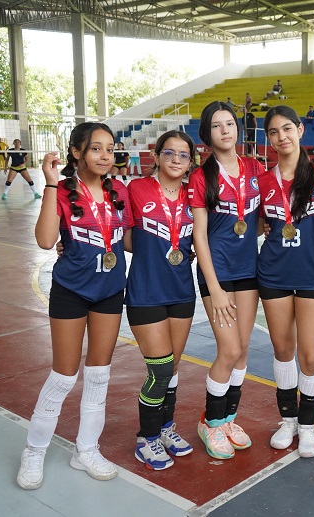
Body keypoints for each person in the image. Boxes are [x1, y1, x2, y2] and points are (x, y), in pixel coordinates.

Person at [18, 122, 130, 490]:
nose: (105, 156)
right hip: (71, 291)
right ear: (76, 152)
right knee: (64, 376)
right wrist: (50, 183)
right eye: (96, 148)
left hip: (109, 291)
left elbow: (129, 239)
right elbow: (45, 239)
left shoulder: (119, 192)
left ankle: (86, 450)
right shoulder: (63, 192)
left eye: (110, 149)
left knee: (99, 375)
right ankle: (34, 450)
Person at [257, 105, 314, 458]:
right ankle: (288, 420)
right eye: (274, 132)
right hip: (273, 274)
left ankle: (308, 427)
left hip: (312, 274)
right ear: (268, 138)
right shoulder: (263, 182)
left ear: (301, 130)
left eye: (287, 128)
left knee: (310, 355)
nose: (281, 137)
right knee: (282, 350)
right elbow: (256, 223)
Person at [190, 101, 266, 460]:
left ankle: (229, 420)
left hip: (248, 269)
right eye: (217, 125)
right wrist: (215, 288)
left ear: (238, 128)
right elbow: (199, 235)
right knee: (230, 350)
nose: (225, 130)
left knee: (243, 349)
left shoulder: (254, 168)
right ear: (207, 134)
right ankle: (211, 422)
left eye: (230, 124)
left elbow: (263, 213)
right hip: (217, 272)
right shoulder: (201, 176)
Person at [126, 130, 197, 470]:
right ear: (156, 156)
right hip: (146, 291)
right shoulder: (136, 189)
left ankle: (166, 428)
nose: (176, 159)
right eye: (169, 152)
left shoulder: (193, 194)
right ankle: (147, 437)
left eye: (183, 155)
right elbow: (121, 235)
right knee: (160, 369)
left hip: (181, 291)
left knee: (173, 369)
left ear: (190, 162)